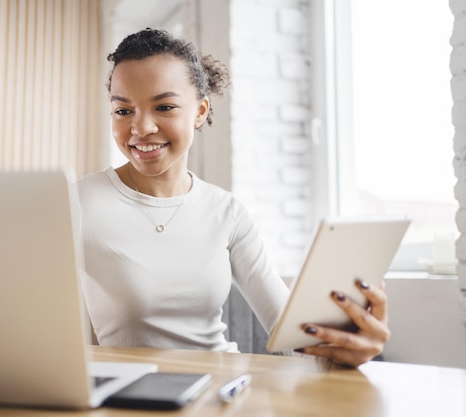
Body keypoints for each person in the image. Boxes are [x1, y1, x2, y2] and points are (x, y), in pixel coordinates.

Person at [77, 28, 390, 367]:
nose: (141, 128)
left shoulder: (226, 211)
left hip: (224, 389)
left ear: (199, 111)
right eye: (123, 111)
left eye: (164, 107)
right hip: (133, 398)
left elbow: (292, 336)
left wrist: (347, 346)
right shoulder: (77, 203)